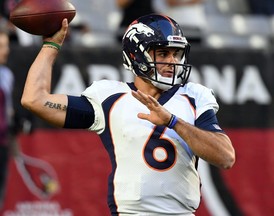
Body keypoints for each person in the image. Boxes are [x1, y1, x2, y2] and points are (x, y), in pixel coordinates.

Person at [21, 14, 235, 215]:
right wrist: (51, 45)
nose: (172, 61)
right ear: (136, 55)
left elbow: (226, 157)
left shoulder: (194, 96)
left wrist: (173, 122)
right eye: (163, 53)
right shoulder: (110, 97)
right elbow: (35, 100)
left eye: (176, 54)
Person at [0, 29, 14, 209]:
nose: (6, 50)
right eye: (1, 46)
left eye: (6, 45)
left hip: (2, 145)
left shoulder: (7, 75)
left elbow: (7, 110)